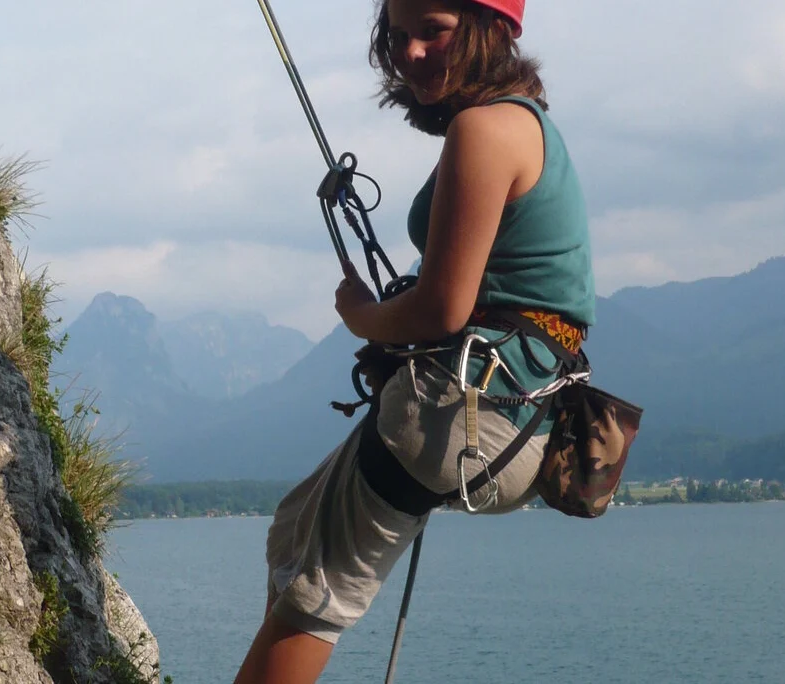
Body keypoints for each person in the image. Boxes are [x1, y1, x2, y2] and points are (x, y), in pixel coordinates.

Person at [234, 0, 595, 681]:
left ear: (493, 29)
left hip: (468, 407)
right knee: (296, 529)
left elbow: (442, 308)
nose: (411, 52)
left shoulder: (484, 132)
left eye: (434, 29)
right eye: (399, 36)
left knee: (316, 588)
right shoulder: (526, 126)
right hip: (512, 409)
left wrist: (365, 319)